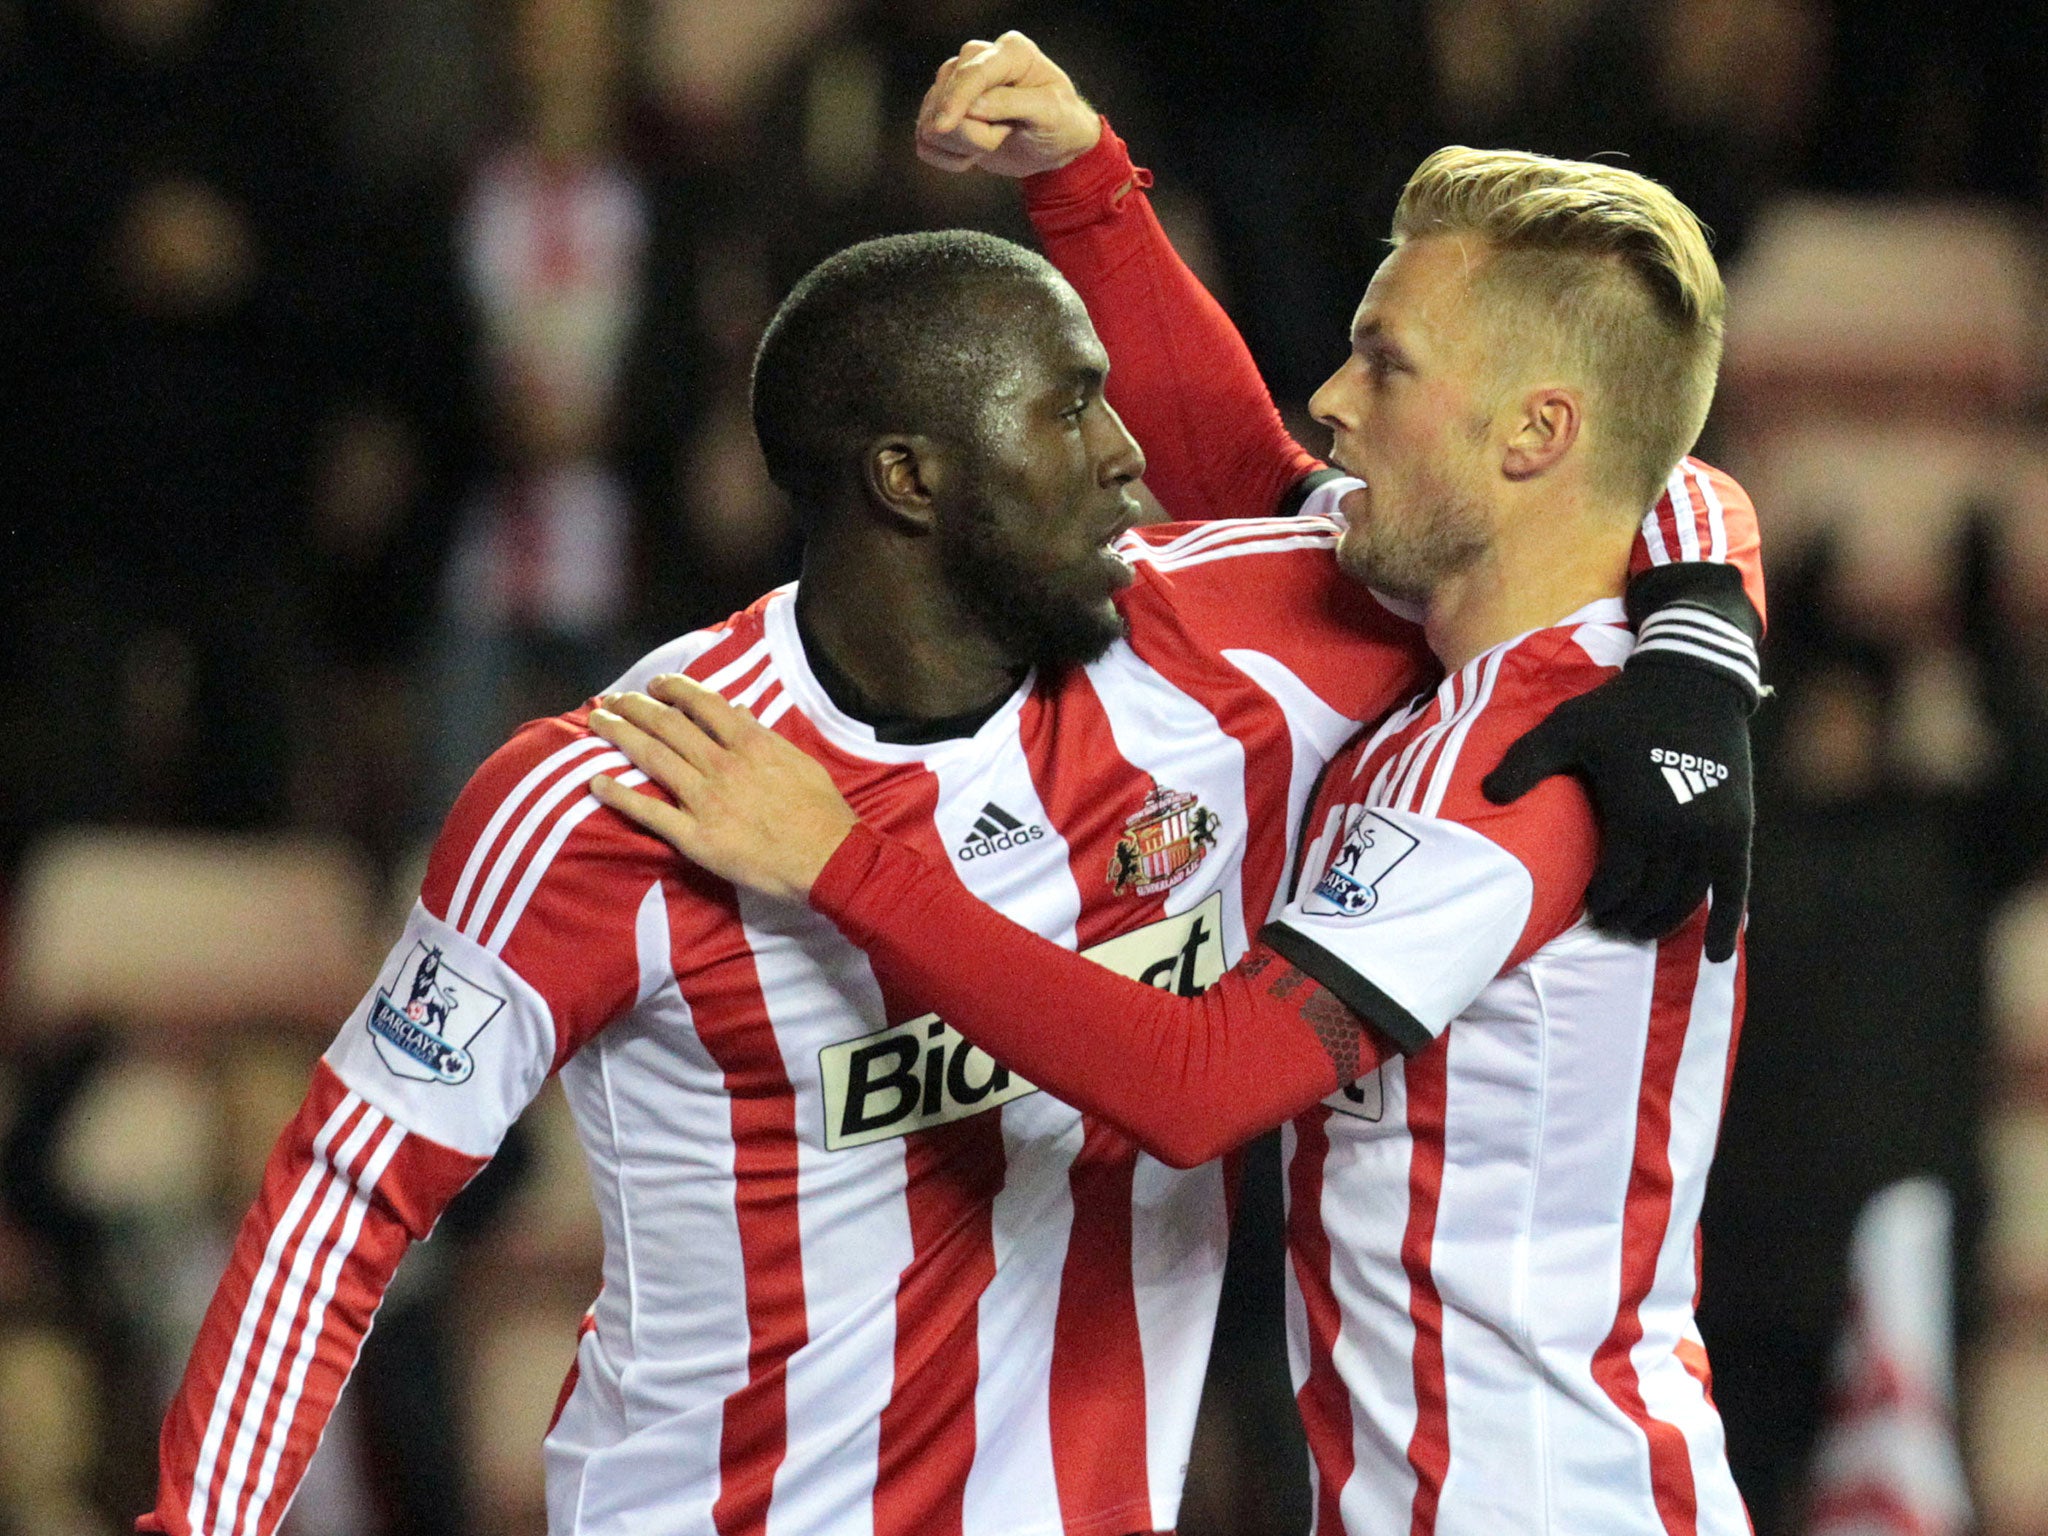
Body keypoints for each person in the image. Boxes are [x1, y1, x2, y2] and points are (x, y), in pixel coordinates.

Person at [144, 228, 1757, 1536]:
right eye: (1071, 413)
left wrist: (1701, 629)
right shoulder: (619, 796)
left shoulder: (1234, 651)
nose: (1137, 462)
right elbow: (345, 1195)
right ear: (911, 481)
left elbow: (1591, 471)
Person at [583, 38, 1756, 1536]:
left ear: (1535, 436)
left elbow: (1199, 1088)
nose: (1332, 397)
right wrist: (1081, 183)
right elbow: (1250, 470)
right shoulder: (1464, 647)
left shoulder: (1535, 764)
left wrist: (845, 866)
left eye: (1385, 365)